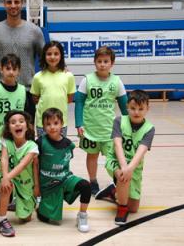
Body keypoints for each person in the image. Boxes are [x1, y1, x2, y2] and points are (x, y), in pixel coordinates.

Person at [74, 46, 128, 196]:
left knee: (113, 157)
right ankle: (93, 181)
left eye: (106, 61)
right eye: (99, 61)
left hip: (109, 129)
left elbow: (125, 106)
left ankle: (117, 181)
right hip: (90, 128)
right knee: (92, 155)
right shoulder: (87, 79)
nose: (102, 64)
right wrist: (79, 123)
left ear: (112, 63)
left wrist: (129, 126)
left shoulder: (117, 81)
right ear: (94, 62)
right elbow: (79, 102)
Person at [95, 90, 155, 226]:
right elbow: (117, 145)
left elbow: (141, 152)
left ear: (147, 109)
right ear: (127, 106)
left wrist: (130, 168)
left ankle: (112, 191)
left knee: (133, 208)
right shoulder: (119, 121)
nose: (136, 112)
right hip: (115, 161)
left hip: (134, 166)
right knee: (123, 175)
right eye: (133, 108)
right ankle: (121, 209)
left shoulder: (149, 129)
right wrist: (124, 167)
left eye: (141, 109)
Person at [0, 54, 30, 209]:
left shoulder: (23, 91)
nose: (11, 72)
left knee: (16, 167)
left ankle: (16, 195)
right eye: (8, 68)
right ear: (1, 69)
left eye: (14, 69)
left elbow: (27, 115)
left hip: (18, 138)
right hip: (0, 137)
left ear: (19, 71)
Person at [34, 108, 91, 232]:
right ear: (43, 127)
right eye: (48, 124)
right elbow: (35, 165)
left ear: (62, 124)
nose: (52, 127)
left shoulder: (68, 144)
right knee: (46, 218)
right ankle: (43, 204)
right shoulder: (40, 142)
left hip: (65, 179)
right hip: (48, 184)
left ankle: (82, 216)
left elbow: (66, 162)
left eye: (55, 123)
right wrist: (36, 185)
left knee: (85, 186)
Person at [0, 110, 38, 237]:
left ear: (27, 126)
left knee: (26, 219)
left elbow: (23, 165)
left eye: (21, 121)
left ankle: (17, 203)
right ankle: (1, 220)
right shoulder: (6, 141)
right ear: (8, 128)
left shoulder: (32, 146)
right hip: (9, 178)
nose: (18, 124)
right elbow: (3, 158)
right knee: (6, 186)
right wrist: (5, 177)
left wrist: (37, 186)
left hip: (25, 182)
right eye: (13, 122)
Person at [30, 41, 76, 137]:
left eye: (56, 54)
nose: (52, 57)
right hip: (42, 123)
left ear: (61, 56)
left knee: (59, 150)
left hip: (61, 122)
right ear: (44, 56)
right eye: (49, 54)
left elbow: (70, 98)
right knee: (43, 150)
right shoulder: (38, 77)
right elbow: (35, 98)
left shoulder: (68, 76)